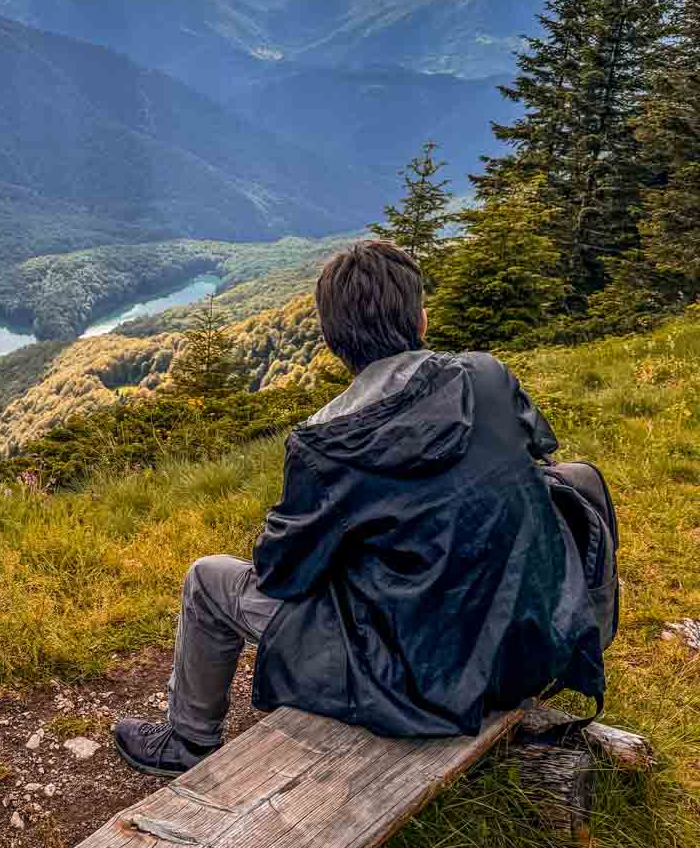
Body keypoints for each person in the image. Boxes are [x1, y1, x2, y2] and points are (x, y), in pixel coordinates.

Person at [113, 239, 606, 778]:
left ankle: (188, 740)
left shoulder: (328, 442)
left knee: (208, 580)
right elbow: (537, 456)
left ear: (330, 340)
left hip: (422, 681)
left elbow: (281, 573)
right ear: (421, 318)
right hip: (528, 646)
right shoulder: (488, 376)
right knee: (576, 479)